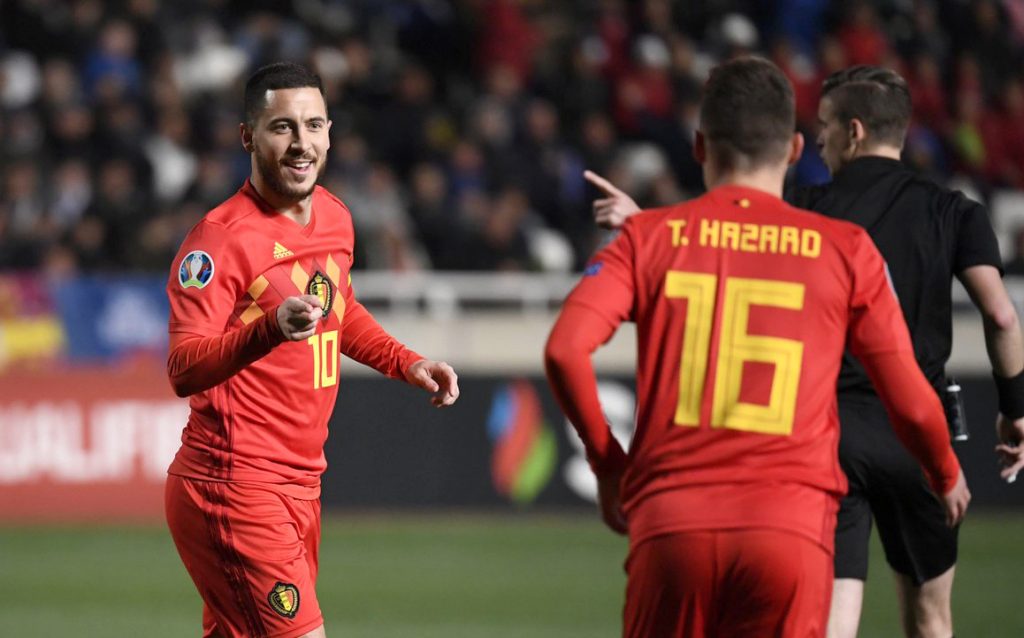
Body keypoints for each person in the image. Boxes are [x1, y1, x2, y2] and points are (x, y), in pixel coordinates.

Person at [584, 64, 1024, 638]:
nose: (818, 140)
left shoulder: (806, 210)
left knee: (834, 620)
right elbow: (1001, 314)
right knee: (932, 618)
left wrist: (643, 222)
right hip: (918, 434)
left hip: (830, 434)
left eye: (826, 125)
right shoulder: (956, 211)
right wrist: (1014, 409)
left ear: (854, 132)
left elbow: (725, 243)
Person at [163, 62, 459, 638]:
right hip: (236, 486)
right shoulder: (219, 241)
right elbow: (182, 368)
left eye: (314, 125)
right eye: (282, 127)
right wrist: (269, 328)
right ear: (248, 136)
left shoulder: (335, 217)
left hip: (301, 486)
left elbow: (339, 310)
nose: (302, 143)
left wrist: (407, 362)